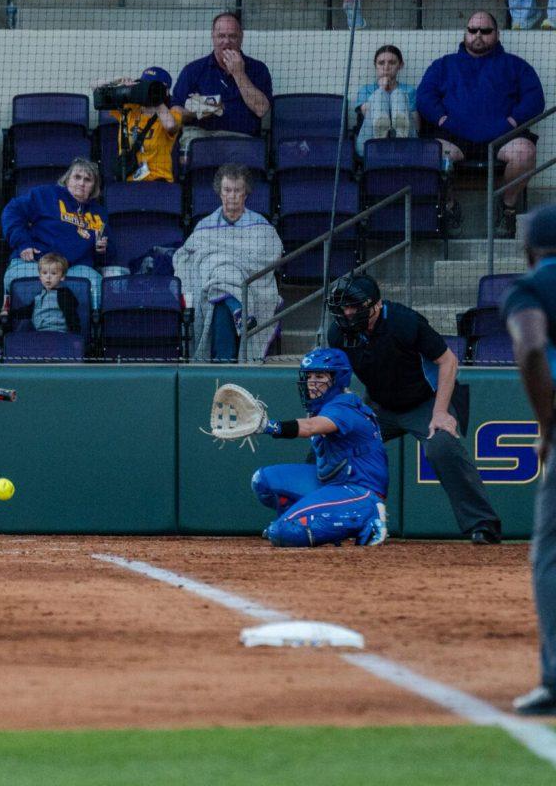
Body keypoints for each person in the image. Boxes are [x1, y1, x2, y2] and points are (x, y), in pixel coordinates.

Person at [326, 272, 503, 543]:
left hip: (427, 401)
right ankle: (311, 515)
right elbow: (338, 376)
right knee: (331, 441)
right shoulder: (338, 333)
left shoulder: (404, 322)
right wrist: (332, 413)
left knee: (441, 446)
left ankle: (482, 525)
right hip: (379, 405)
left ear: (375, 305)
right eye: (344, 307)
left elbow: (448, 362)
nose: (347, 313)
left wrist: (441, 413)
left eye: (354, 306)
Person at [416, 11, 543, 237]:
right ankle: (450, 207)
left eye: (485, 31)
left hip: (502, 137)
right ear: (465, 32)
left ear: (497, 33)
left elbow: (535, 99)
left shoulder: (516, 65)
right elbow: (425, 97)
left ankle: (508, 208)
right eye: (472, 30)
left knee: (525, 153)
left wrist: (512, 121)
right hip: (454, 138)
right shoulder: (443, 65)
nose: (478, 35)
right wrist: (443, 119)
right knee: (429, 153)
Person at [251, 347, 389, 548]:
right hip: (333, 483)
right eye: (309, 376)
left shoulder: (343, 407)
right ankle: (300, 519)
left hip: (360, 489)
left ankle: (369, 515)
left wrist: (268, 426)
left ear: (337, 379)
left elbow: (309, 427)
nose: (312, 383)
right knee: (262, 481)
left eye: (320, 376)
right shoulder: (323, 406)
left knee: (280, 532)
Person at [503, 204, 556, 715]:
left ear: (530, 250)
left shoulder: (532, 289)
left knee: (551, 557)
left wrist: (546, 427)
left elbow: (532, 348)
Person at [172, 163, 281, 362]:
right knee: (217, 282)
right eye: (227, 190)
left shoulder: (261, 227)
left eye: (237, 190)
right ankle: (237, 310)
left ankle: (224, 360)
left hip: (249, 286)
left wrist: (222, 261)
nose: (232, 195)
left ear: (246, 194)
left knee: (219, 291)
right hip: (211, 285)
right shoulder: (204, 226)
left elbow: (272, 254)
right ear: (220, 193)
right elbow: (183, 257)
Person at [0, 158, 108, 311]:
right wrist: (23, 243)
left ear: (94, 187)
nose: (82, 183)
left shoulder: (99, 213)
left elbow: (107, 256)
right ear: (67, 179)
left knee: (96, 283)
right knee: (17, 276)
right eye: (77, 177)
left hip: (75, 268)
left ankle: (88, 331)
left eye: (88, 179)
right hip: (36, 261)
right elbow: (12, 211)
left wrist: (102, 250)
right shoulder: (46, 194)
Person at [171, 12, 272, 157]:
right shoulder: (193, 70)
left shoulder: (258, 69)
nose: (227, 41)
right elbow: (175, 111)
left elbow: (261, 109)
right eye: (221, 36)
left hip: (241, 141)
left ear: (241, 37)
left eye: (232, 36)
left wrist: (239, 73)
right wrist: (202, 108)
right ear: (213, 36)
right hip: (202, 138)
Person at [101, 67, 182, 182]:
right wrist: (117, 81)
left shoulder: (172, 114)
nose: (146, 89)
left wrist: (155, 97)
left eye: (151, 86)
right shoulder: (129, 108)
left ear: (166, 91)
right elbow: (97, 90)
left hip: (158, 181)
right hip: (127, 180)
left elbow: (170, 126)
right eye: (144, 85)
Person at [354, 44, 419, 157]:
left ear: (400, 65)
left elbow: (417, 126)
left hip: (407, 145)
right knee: (379, 95)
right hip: (371, 145)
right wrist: (382, 88)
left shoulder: (409, 91)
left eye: (392, 63)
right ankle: (381, 136)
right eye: (381, 63)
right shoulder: (366, 90)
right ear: (375, 65)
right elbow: (366, 114)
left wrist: (395, 92)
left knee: (398, 93)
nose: (386, 67)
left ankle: (400, 135)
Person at [8, 253, 80, 335]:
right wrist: (9, 313)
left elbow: (73, 318)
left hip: (59, 335)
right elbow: (27, 311)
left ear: (62, 277)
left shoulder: (64, 295)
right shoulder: (39, 296)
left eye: (53, 273)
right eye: (44, 273)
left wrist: (75, 340)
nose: (48, 277)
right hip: (39, 334)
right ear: (40, 276)